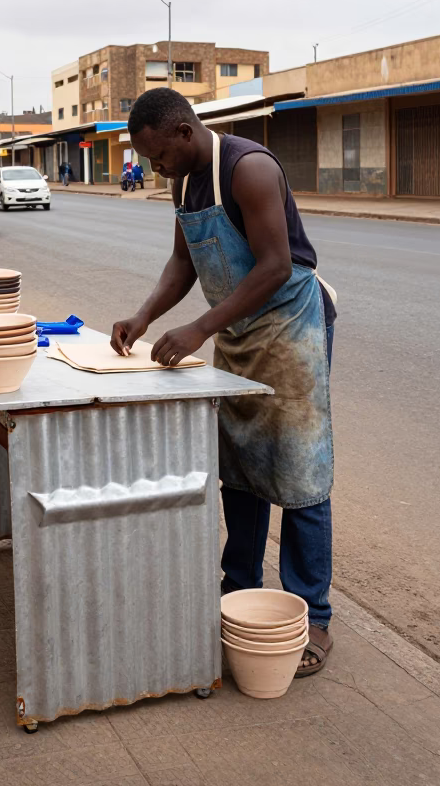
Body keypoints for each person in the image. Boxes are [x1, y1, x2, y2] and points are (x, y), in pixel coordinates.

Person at [110, 88, 336, 677]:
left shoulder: (249, 168)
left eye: (160, 156)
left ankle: (312, 614)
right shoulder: (184, 182)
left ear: (185, 133)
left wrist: (200, 328)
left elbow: (276, 266)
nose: (156, 169)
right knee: (238, 463)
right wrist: (144, 317)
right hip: (237, 331)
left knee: (300, 470)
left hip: (290, 328)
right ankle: (239, 588)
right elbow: (184, 263)